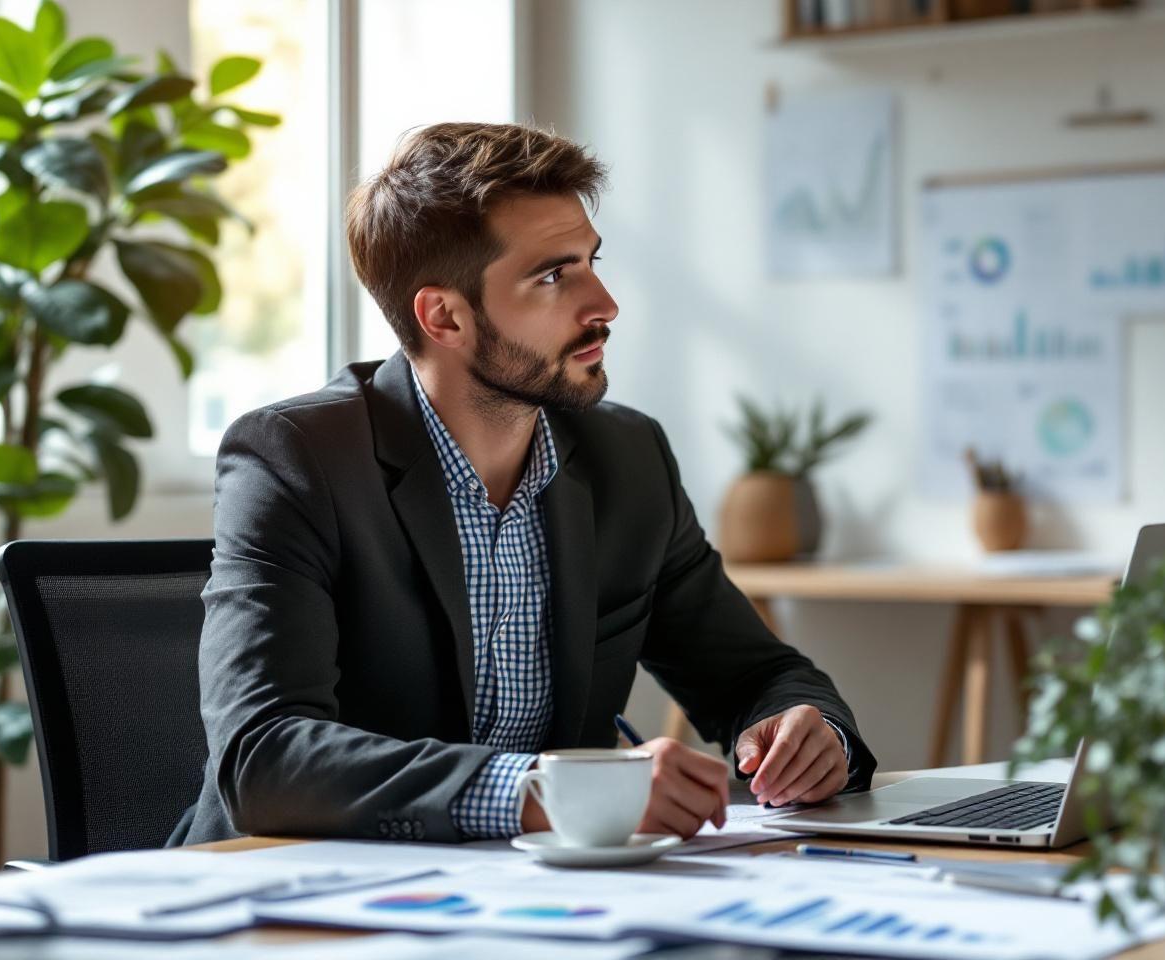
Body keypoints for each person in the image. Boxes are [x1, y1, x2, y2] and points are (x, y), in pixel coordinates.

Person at [175, 122, 875, 846]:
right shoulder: (296, 460)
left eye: (591, 262)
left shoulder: (628, 458)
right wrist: (550, 793)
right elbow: (265, 759)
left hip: (538, 900)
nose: (603, 302)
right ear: (444, 315)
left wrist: (809, 732)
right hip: (290, 902)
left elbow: (755, 675)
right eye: (552, 275)